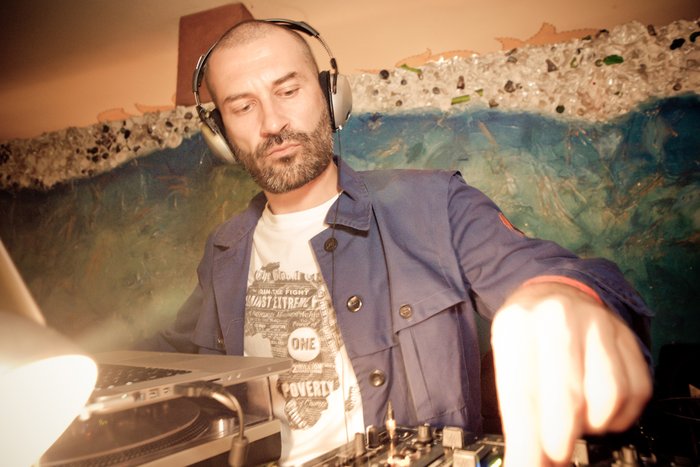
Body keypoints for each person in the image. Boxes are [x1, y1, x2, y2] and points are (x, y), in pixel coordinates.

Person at [148, 20, 653, 466]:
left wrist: (562, 297)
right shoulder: (223, 251)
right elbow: (168, 363)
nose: (272, 123)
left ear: (330, 95)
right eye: (242, 106)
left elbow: (548, 272)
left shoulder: (435, 203)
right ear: (220, 133)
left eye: (288, 90)